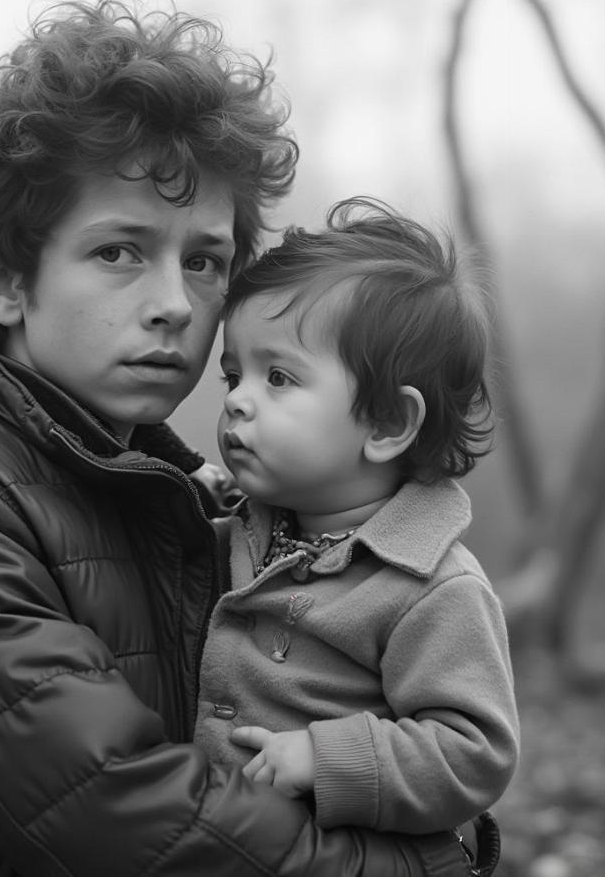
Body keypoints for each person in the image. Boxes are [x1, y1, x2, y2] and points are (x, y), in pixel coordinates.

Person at [0, 0, 471, 877]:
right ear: (8, 281)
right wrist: (425, 866)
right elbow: (123, 815)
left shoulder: (206, 506)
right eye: (120, 251)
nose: (174, 302)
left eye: (202, 261)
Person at [194, 198, 520, 840]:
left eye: (279, 377)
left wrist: (329, 758)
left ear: (389, 423)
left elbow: (474, 752)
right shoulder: (248, 524)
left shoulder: (430, 589)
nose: (237, 400)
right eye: (234, 375)